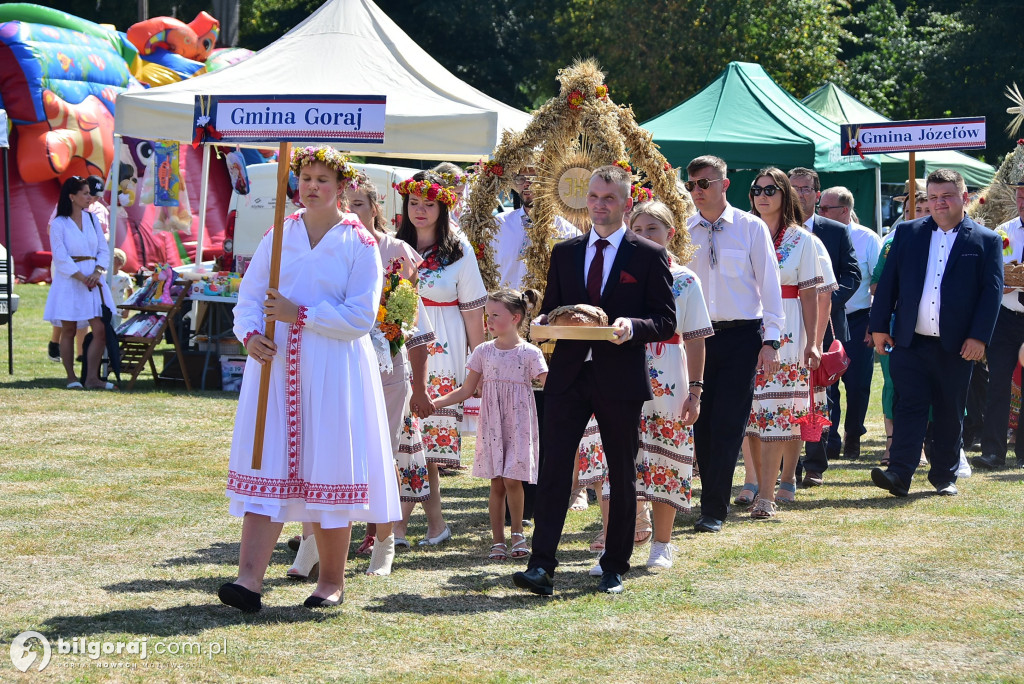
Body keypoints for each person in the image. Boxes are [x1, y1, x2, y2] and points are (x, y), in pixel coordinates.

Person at [218, 146, 399, 612]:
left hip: (333, 369)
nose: (312, 186)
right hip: (274, 371)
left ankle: (331, 583)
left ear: (342, 188)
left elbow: (360, 317)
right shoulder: (279, 235)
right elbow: (249, 299)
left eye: (323, 179)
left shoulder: (359, 245)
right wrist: (251, 335)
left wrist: (302, 316)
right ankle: (248, 582)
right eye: (306, 178)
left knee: (329, 469)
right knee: (269, 466)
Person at [512, 164, 675, 596]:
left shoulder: (648, 254)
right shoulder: (565, 252)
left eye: (610, 198)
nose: (600, 206)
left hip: (619, 377)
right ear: (586, 199)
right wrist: (543, 321)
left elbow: (664, 321)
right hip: (567, 375)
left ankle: (614, 565)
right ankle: (541, 565)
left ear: (626, 203)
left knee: (621, 473)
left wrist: (632, 326)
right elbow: (552, 309)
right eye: (594, 197)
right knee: (552, 471)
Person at [869, 169, 1003, 498]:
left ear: (964, 197)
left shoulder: (986, 240)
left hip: (956, 346)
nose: (939, 203)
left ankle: (944, 476)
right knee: (908, 407)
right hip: (909, 342)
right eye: (932, 197)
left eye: (946, 196)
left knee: (948, 410)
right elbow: (888, 284)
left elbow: (992, 293)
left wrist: (979, 337)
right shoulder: (908, 233)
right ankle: (899, 473)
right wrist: (878, 327)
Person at [683, 155, 784, 533]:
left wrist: (771, 339)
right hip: (694, 337)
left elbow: (770, 286)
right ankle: (706, 497)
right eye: (692, 184)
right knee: (699, 423)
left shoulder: (750, 227)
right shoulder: (682, 229)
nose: (697, 191)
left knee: (728, 423)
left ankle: (713, 509)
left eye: (704, 183)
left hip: (741, 335)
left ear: (724, 184)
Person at [393, 171, 487, 546]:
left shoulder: (458, 249)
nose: (420, 210)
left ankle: (402, 526)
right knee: (404, 438)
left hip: (444, 344)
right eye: (413, 203)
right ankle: (431, 524)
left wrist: (479, 362)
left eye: (428, 204)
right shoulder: (394, 244)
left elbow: (473, 309)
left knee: (426, 441)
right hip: (399, 338)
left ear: (443, 206)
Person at [434, 289, 547, 560]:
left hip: (519, 424)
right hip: (493, 424)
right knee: (496, 482)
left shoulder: (530, 353)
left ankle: (518, 534)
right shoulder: (483, 352)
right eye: (488, 315)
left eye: (495, 315)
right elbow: (465, 390)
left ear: (516, 317)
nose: (489, 321)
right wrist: (433, 404)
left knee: (512, 478)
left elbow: (550, 386)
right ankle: (498, 540)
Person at [629, 201, 712, 566]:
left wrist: (695, 391)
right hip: (624, 372)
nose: (644, 236)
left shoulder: (684, 280)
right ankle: (620, 539)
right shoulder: (619, 275)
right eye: (638, 230)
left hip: (670, 376)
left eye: (652, 230)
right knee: (620, 455)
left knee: (665, 454)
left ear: (670, 234)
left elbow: (695, 338)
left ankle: (662, 543)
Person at [742, 169, 823, 518]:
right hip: (746, 327)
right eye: (756, 189)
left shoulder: (800, 239)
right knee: (751, 413)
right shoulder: (742, 231)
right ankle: (759, 483)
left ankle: (768, 494)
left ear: (784, 194)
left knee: (776, 412)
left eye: (770, 189)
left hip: (788, 332)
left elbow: (810, 294)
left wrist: (813, 342)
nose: (762, 195)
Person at [789, 168, 860, 486]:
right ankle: (786, 466)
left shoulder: (834, 230)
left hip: (826, 325)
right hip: (788, 323)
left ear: (818, 195)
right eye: (793, 188)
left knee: (822, 394)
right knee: (787, 392)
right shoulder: (773, 229)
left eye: (805, 189)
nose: (799, 194)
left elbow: (852, 274)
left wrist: (827, 298)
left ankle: (815, 462)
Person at [818, 186, 882, 460]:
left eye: (824, 209)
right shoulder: (816, 234)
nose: (819, 213)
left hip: (858, 320)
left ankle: (853, 433)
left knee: (857, 384)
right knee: (826, 382)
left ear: (844, 211)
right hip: (825, 319)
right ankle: (829, 440)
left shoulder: (868, 239)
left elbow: (881, 285)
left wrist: (874, 323)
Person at [43, 176, 116, 390]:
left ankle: (92, 378)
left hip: (94, 279)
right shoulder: (59, 223)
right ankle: (71, 377)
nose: (89, 197)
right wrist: (82, 277)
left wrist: (97, 271)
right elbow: (60, 256)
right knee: (69, 329)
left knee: (100, 329)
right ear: (72, 197)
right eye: (84, 193)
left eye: (89, 193)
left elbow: (104, 249)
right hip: (71, 281)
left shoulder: (93, 219)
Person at [974, 182, 1024, 470]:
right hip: (1006, 317)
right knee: (998, 384)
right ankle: (993, 451)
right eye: (1019, 196)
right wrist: (1000, 285)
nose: (1022, 201)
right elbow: (989, 272)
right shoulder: (1002, 232)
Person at [492, 167, 580, 290]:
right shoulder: (499, 224)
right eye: (521, 179)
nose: (527, 184)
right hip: (505, 305)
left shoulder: (568, 233)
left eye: (535, 178)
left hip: (546, 307)